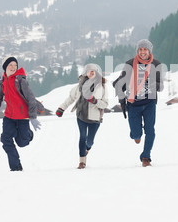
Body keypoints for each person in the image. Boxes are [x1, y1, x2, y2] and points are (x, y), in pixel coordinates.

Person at [113, 39, 164, 167]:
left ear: (149, 51)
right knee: (135, 134)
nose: (142, 52)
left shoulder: (156, 64)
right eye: (140, 49)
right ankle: (136, 133)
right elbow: (120, 83)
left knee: (150, 130)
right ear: (137, 51)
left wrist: (155, 84)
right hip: (133, 104)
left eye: (145, 49)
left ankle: (146, 157)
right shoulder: (130, 64)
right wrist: (121, 98)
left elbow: (161, 86)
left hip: (149, 103)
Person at [0, 56, 43, 171]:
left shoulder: (20, 81)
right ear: (5, 67)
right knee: (5, 140)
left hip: (23, 117)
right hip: (9, 117)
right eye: (10, 65)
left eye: (15, 65)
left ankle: (29, 134)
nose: (13, 67)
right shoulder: (0, 81)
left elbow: (31, 98)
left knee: (22, 143)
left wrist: (32, 117)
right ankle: (16, 167)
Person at [56, 64, 109, 169]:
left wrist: (95, 101)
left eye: (94, 71)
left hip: (95, 118)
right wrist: (61, 108)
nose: (91, 73)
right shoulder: (79, 87)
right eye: (89, 71)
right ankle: (82, 162)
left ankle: (88, 147)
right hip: (81, 116)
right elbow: (70, 99)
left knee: (89, 141)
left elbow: (105, 104)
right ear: (85, 73)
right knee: (82, 137)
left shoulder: (102, 87)